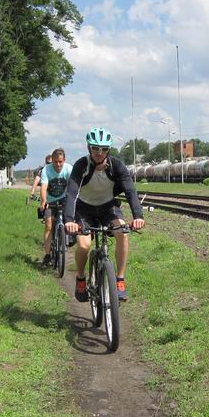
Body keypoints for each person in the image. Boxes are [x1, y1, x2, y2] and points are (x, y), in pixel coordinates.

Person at [64, 127, 144, 301]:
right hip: (84, 209)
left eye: (104, 149)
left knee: (122, 233)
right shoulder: (81, 165)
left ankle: (120, 280)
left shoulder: (117, 166)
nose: (99, 153)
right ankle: (80, 278)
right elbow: (71, 193)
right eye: (95, 148)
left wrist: (138, 216)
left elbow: (130, 190)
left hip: (108, 208)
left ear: (109, 149)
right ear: (89, 148)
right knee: (84, 245)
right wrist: (69, 220)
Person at [39, 148, 72, 265]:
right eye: (55, 162)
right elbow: (43, 187)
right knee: (48, 226)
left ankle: (68, 239)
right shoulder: (46, 170)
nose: (58, 164)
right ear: (52, 160)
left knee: (70, 220)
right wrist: (44, 200)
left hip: (64, 200)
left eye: (60, 161)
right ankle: (48, 255)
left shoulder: (69, 169)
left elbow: (73, 185)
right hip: (50, 201)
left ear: (64, 160)